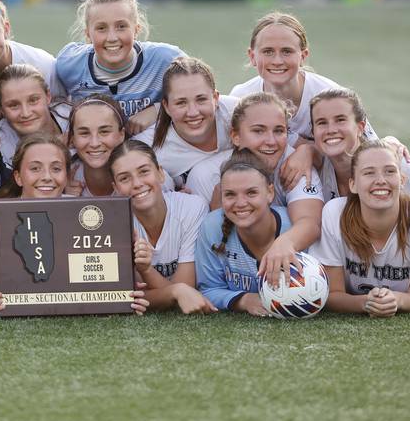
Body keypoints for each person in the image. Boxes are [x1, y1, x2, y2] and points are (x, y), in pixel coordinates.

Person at [0, 133, 149, 318]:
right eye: (35, 168)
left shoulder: (85, 212)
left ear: (67, 175)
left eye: (56, 169)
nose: (47, 177)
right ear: (18, 177)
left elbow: (118, 279)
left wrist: (133, 274)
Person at [187, 92, 324, 286]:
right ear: (235, 136)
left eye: (279, 131)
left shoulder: (296, 165)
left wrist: (283, 244)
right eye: (258, 131)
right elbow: (206, 240)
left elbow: (309, 224)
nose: (271, 141)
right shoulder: (206, 174)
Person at [229, 11, 376, 190]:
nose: (277, 60)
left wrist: (310, 151)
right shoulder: (241, 96)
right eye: (267, 51)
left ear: (303, 56)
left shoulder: (331, 95)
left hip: (330, 178)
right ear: (252, 56)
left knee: (407, 166)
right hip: (266, 181)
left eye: (287, 51)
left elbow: (372, 146)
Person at [309, 140, 410, 316]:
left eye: (390, 171)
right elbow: (332, 294)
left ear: (402, 179)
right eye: (369, 173)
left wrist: (397, 299)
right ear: (352, 184)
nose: (381, 180)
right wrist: (365, 303)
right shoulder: (335, 214)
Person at [56, 0, 186, 134]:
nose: (112, 37)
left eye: (121, 26)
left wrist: (158, 110)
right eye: (101, 28)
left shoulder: (166, 59)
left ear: (136, 29)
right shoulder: (69, 64)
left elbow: (199, 98)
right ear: (88, 34)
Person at [109, 140, 215, 314]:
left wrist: (147, 270)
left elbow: (187, 289)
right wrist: (175, 291)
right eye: (124, 178)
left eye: (144, 171)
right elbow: (130, 296)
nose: (136, 183)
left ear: (160, 174)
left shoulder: (192, 208)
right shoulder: (113, 222)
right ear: (116, 188)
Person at [194, 150, 293, 315]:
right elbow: (209, 289)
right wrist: (244, 300)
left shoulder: (293, 226)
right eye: (230, 194)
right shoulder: (212, 225)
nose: (240, 203)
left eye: (251, 193)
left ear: (270, 192)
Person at [310, 88, 410, 204]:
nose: (331, 130)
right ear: (313, 132)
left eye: (340, 120)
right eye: (322, 123)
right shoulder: (314, 171)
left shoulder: (401, 167)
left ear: (360, 127)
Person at [135, 57, 239, 189]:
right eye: (181, 103)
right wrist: (171, 198)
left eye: (201, 99)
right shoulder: (147, 147)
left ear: (215, 98)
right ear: (166, 107)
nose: (193, 112)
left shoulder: (237, 114)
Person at [0, 63, 70, 165]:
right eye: (13, 105)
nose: (25, 113)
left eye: (33, 100)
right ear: (2, 110)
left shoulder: (76, 118)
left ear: (48, 96)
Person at [66, 95, 128, 197]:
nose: (94, 143)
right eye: (84, 133)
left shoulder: (141, 173)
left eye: (104, 131)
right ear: (72, 139)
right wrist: (62, 196)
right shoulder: (60, 178)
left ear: (121, 135)